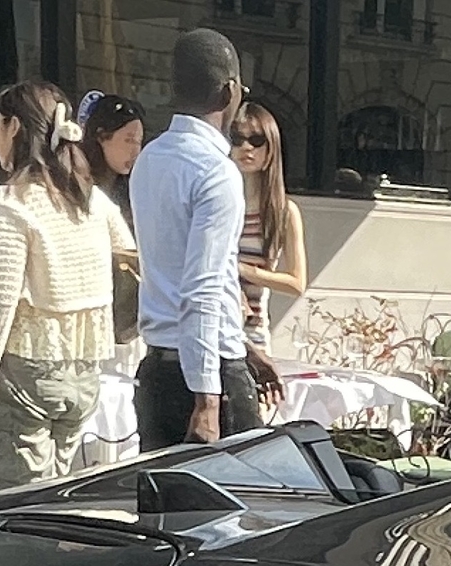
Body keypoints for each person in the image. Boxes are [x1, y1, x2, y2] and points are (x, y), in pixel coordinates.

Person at [0, 80, 131, 493]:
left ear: (14, 128)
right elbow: (133, 261)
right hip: (82, 372)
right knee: (50, 506)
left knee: (13, 514)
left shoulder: (8, 204)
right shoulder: (92, 201)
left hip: (22, 372)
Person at [127, 29, 283, 448]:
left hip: (158, 368)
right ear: (230, 91)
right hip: (208, 377)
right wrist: (208, 401)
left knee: (161, 512)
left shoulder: (149, 160)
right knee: (238, 510)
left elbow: (176, 273)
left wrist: (246, 348)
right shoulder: (216, 172)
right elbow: (202, 289)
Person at [230, 102, 307, 349]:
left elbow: (297, 283)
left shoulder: (283, 212)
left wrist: (241, 269)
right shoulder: (214, 202)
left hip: (252, 337)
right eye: (237, 139)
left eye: (257, 140)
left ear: (271, 146)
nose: (246, 147)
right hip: (210, 330)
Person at [74, 91, 147, 347]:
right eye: (128, 140)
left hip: (129, 324)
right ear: (101, 136)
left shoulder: (136, 191)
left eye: (139, 141)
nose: (135, 150)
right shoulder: (77, 191)